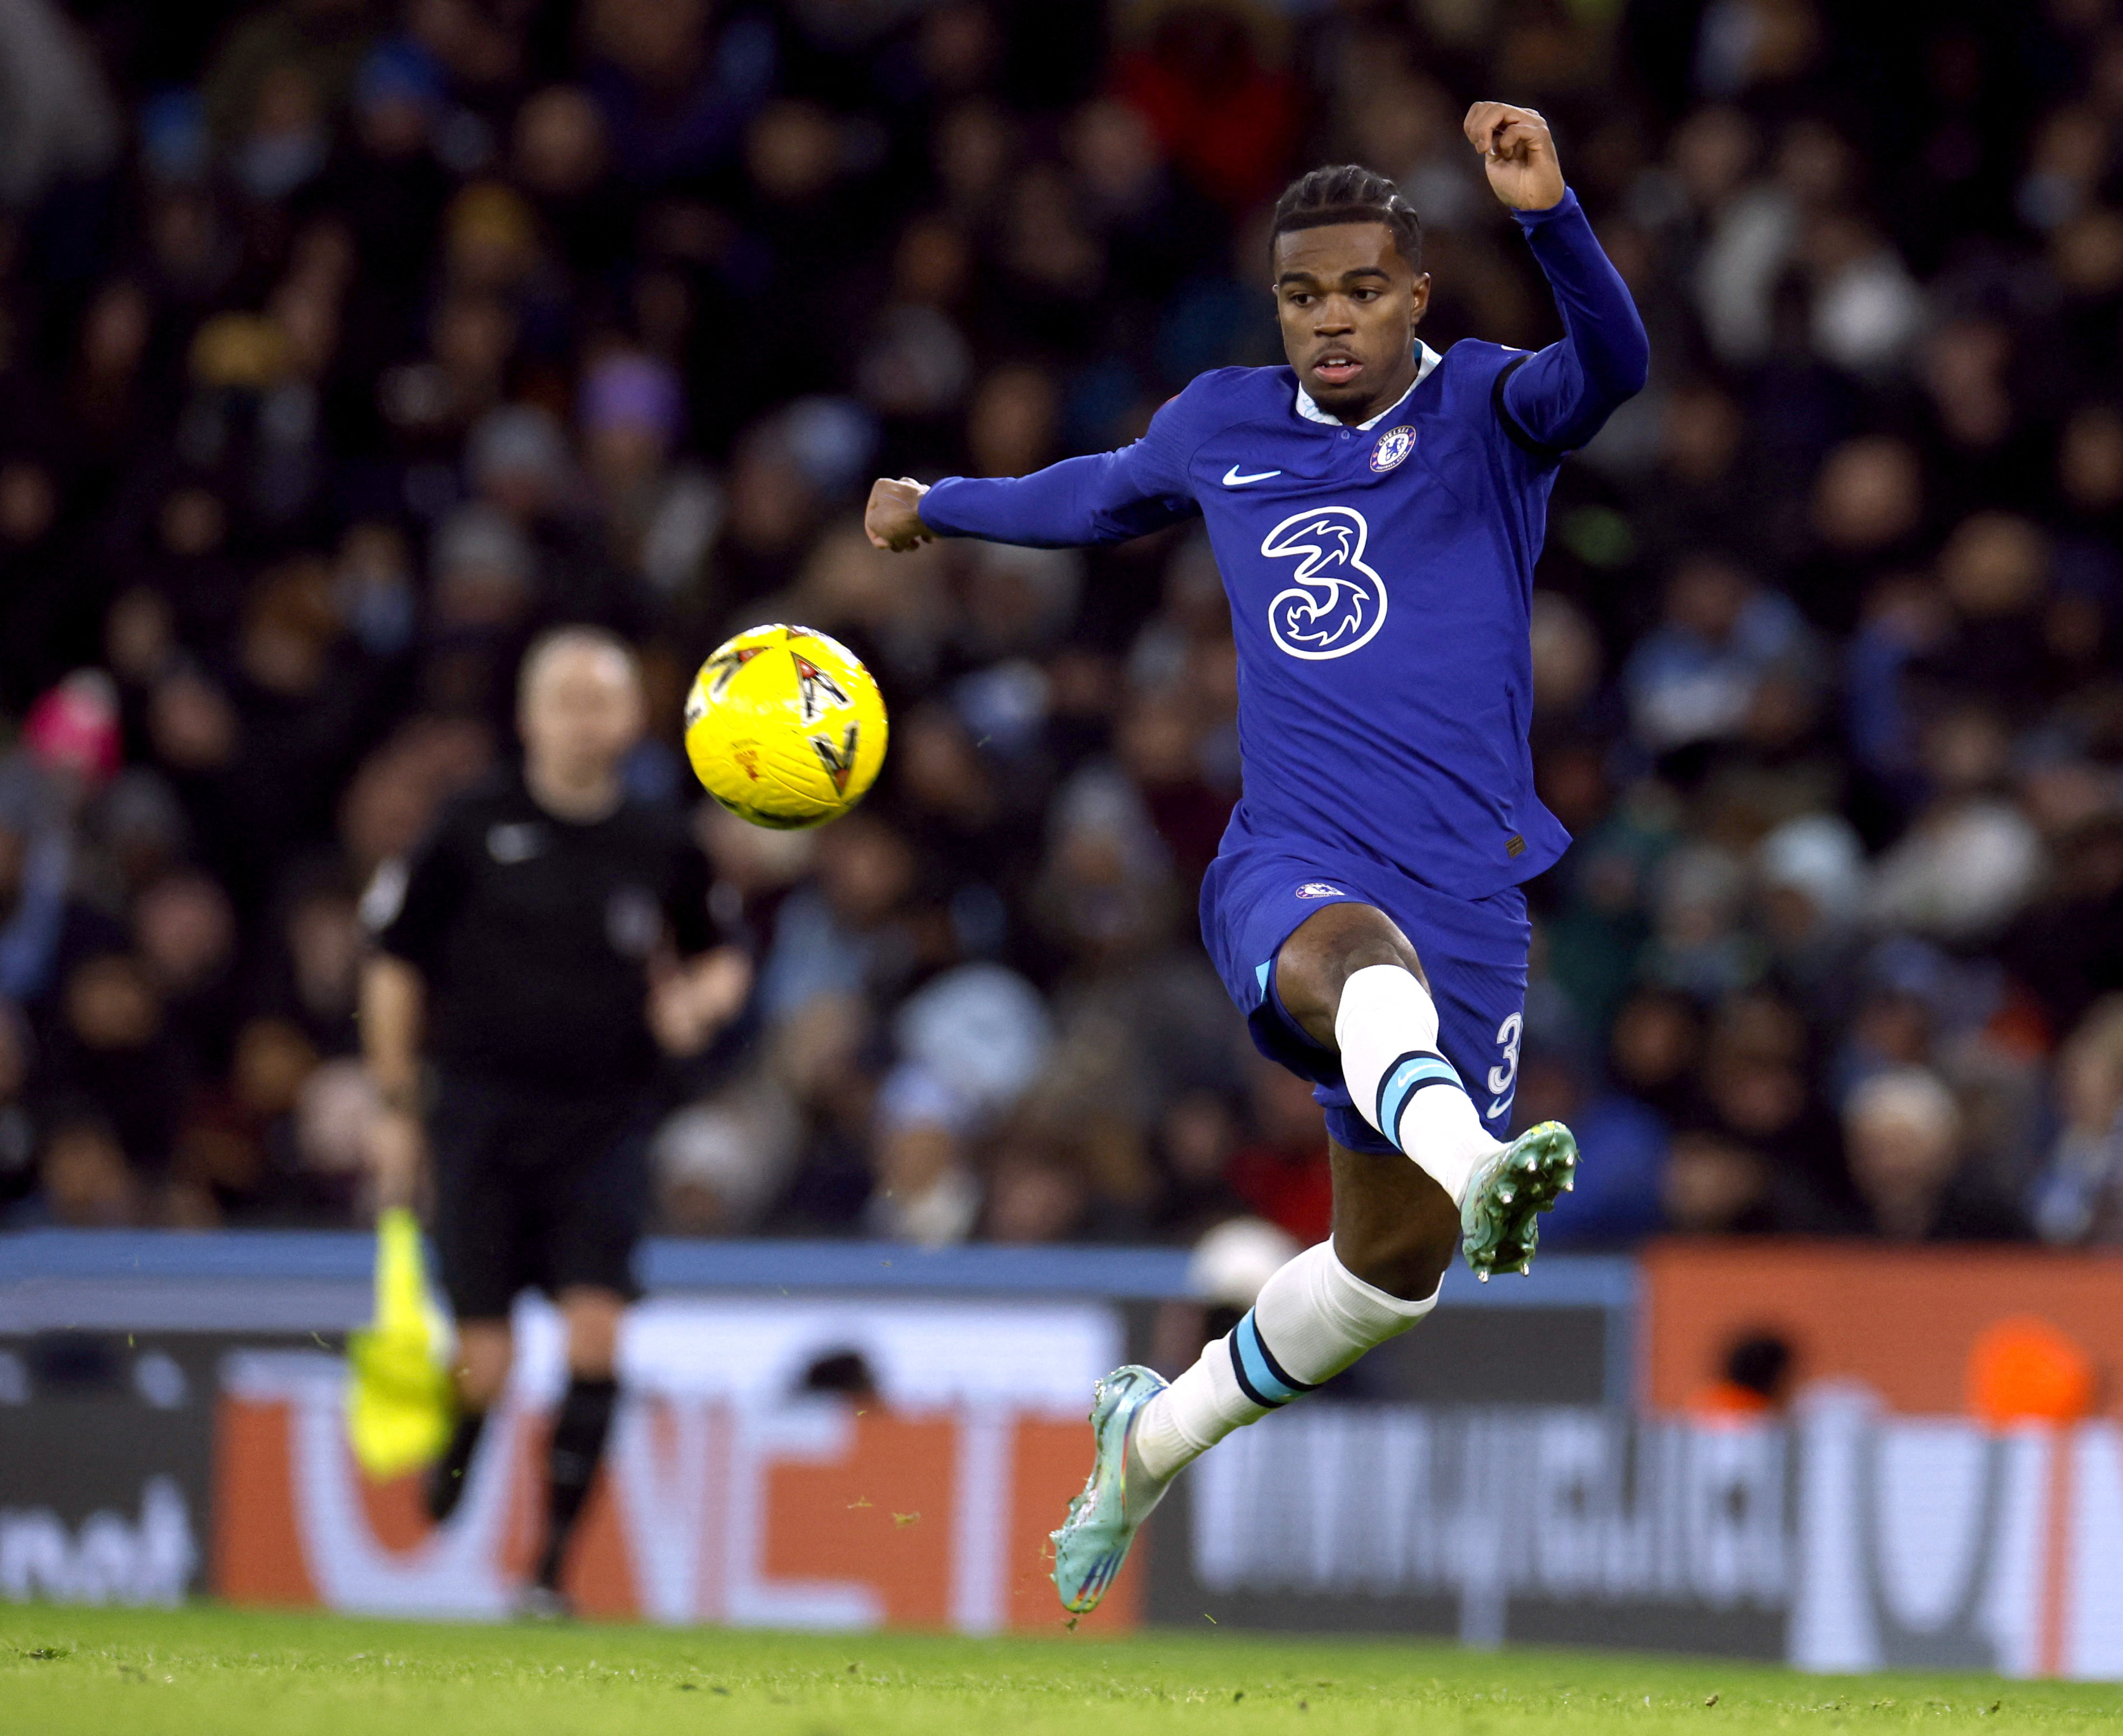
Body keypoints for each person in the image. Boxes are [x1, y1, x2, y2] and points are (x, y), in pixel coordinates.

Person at [865, 101, 1646, 1614]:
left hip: (1468, 883)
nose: (1328, 319)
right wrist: (934, 506)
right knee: (1353, 960)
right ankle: (1483, 1161)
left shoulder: (1488, 409)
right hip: (1292, 853)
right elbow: (1092, 495)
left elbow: (1611, 365)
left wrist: (1550, 216)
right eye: (1301, 296)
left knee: (1384, 1276)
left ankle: (1147, 1440)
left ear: (1414, 294)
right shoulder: (1221, 426)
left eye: (1358, 290)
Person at [358, 626, 750, 1615]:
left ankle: (547, 1574)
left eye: (602, 700)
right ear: (529, 717)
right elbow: (397, 964)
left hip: (604, 1119)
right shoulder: (466, 825)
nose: (583, 721)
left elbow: (720, 953)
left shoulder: (661, 839)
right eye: (564, 701)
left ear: (633, 718)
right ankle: (462, 1437)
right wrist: (398, 1103)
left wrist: (697, 1002)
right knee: (485, 1358)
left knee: (595, 1337)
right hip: (481, 1116)